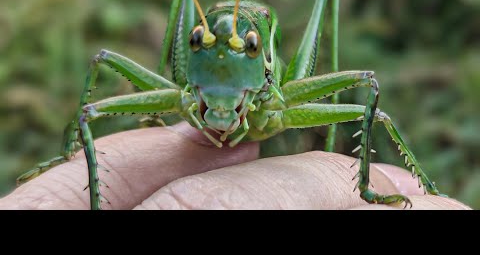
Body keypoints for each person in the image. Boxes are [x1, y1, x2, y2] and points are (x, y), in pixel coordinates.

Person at [0, 122, 470, 210]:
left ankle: (383, 189)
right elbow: (89, 112)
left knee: (370, 98)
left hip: (274, 103)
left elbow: (367, 88)